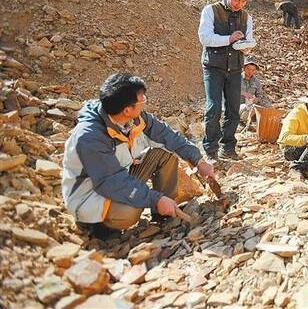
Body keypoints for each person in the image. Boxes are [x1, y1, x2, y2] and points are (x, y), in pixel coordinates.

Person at [61, 73, 216, 238]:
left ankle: (163, 214)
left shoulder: (132, 117)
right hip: (89, 195)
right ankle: (98, 227)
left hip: (118, 176)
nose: (144, 103)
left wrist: (198, 161)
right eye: (142, 100)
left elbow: (167, 135)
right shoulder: (90, 137)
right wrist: (155, 199)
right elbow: (110, 182)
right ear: (127, 109)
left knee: (164, 153)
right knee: (131, 211)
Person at [199, 0, 256, 160]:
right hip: (213, 67)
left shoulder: (246, 17)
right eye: (236, 0)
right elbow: (205, 38)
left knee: (233, 109)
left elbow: (249, 40)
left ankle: (228, 147)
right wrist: (229, 39)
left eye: (244, 1)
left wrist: (246, 46)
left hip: (235, 68)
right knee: (213, 107)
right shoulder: (210, 10)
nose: (239, 4)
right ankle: (210, 149)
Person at [240, 58, 271, 122]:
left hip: (251, 105)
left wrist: (256, 99)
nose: (250, 72)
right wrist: (243, 93)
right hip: (237, 105)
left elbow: (260, 95)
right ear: (244, 68)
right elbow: (229, 90)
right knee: (246, 108)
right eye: (248, 69)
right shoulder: (236, 78)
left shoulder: (257, 82)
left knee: (267, 107)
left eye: (253, 70)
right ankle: (244, 119)